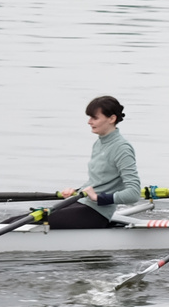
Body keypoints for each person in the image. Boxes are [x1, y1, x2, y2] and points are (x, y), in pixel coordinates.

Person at [39, 95, 141, 230]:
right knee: (21, 218)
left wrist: (100, 198)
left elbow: (133, 193)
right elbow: (97, 182)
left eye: (95, 118)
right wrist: (75, 192)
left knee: (24, 222)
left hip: (96, 213)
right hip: (83, 204)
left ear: (112, 119)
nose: (89, 122)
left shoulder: (122, 148)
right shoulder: (99, 142)